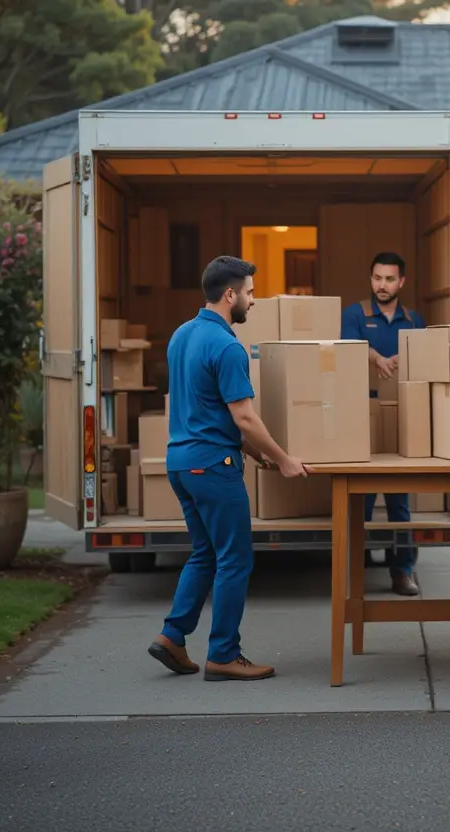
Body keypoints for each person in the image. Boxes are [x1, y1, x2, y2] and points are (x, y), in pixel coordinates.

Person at [148, 256, 310, 682]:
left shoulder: (182, 335)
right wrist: (285, 458)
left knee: (205, 553)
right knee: (235, 559)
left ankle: (172, 636)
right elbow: (244, 417)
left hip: (181, 463)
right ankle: (223, 654)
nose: (253, 301)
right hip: (212, 468)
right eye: (250, 293)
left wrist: (256, 454)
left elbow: (206, 409)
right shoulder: (227, 346)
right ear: (230, 294)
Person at [341, 251, 426, 596]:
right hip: (361, 413)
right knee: (360, 500)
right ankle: (355, 571)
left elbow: (426, 354)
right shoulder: (355, 314)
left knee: (398, 501)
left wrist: (406, 358)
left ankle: (402, 571)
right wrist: (375, 357)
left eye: (390, 279)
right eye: (377, 278)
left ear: (401, 282)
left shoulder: (413, 319)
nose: (382, 285)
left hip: (400, 414)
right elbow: (348, 348)